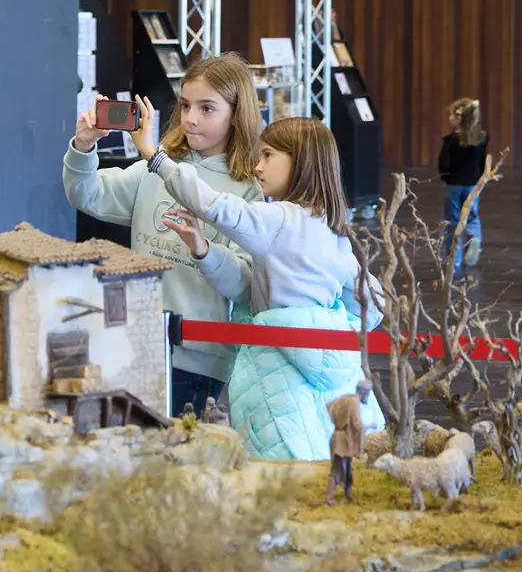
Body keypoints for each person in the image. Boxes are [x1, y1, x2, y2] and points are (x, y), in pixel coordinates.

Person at [142, 112, 386, 461]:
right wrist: (329, 322)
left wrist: (158, 158)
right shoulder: (334, 230)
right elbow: (373, 305)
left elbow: (212, 205)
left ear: (300, 160)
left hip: (270, 371)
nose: (258, 167)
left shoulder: (277, 220)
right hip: (318, 373)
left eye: (268, 155)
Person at [63, 53, 263, 418]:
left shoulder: (248, 191)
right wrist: (83, 146)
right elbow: (86, 194)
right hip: (135, 341)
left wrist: (204, 250)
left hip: (198, 357)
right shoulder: (152, 169)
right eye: (186, 105)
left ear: (237, 114)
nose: (190, 118)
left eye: (207, 108)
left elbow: (246, 284)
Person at [438, 98, 488, 273]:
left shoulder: (450, 141)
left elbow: (444, 164)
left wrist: (445, 176)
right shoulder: (481, 138)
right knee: (472, 215)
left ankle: (454, 259)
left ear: (458, 118)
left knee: (453, 220)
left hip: (454, 185)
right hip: (473, 185)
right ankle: (474, 238)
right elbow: (482, 162)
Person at [326, 380, 373, 505]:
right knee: (337, 468)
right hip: (343, 440)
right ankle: (329, 497)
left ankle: (348, 494)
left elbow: (329, 406)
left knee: (347, 467)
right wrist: (369, 426)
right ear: (365, 393)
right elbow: (357, 424)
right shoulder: (354, 402)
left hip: (340, 437)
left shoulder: (346, 398)